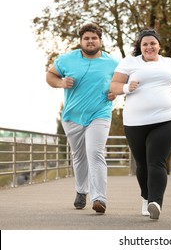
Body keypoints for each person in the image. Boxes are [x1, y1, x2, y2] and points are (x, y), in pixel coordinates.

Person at [110, 28, 171, 220]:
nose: (149, 47)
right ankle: (146, 198)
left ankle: (156, 202)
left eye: (152, 43)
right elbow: (114, 86)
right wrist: (127, 87)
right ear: (140, 47)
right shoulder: (129, 63)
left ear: (159, 45)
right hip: (135, 122)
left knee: (156, 161)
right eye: (145, 44)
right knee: (142, 164)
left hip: (167, 118)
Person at [46, 23, 119, 214]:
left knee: (95, 153)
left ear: (100, 41)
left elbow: (119, 83)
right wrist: (61, 82)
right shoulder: (67, 59)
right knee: (79, 156)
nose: (90, 41)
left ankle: (99, 198)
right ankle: (81, 191)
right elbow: (50, 75)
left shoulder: (112, 63)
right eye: (86, 38)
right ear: (81, 41)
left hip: (100, 113)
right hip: (72, 116)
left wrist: (115, 93)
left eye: (94, 38)